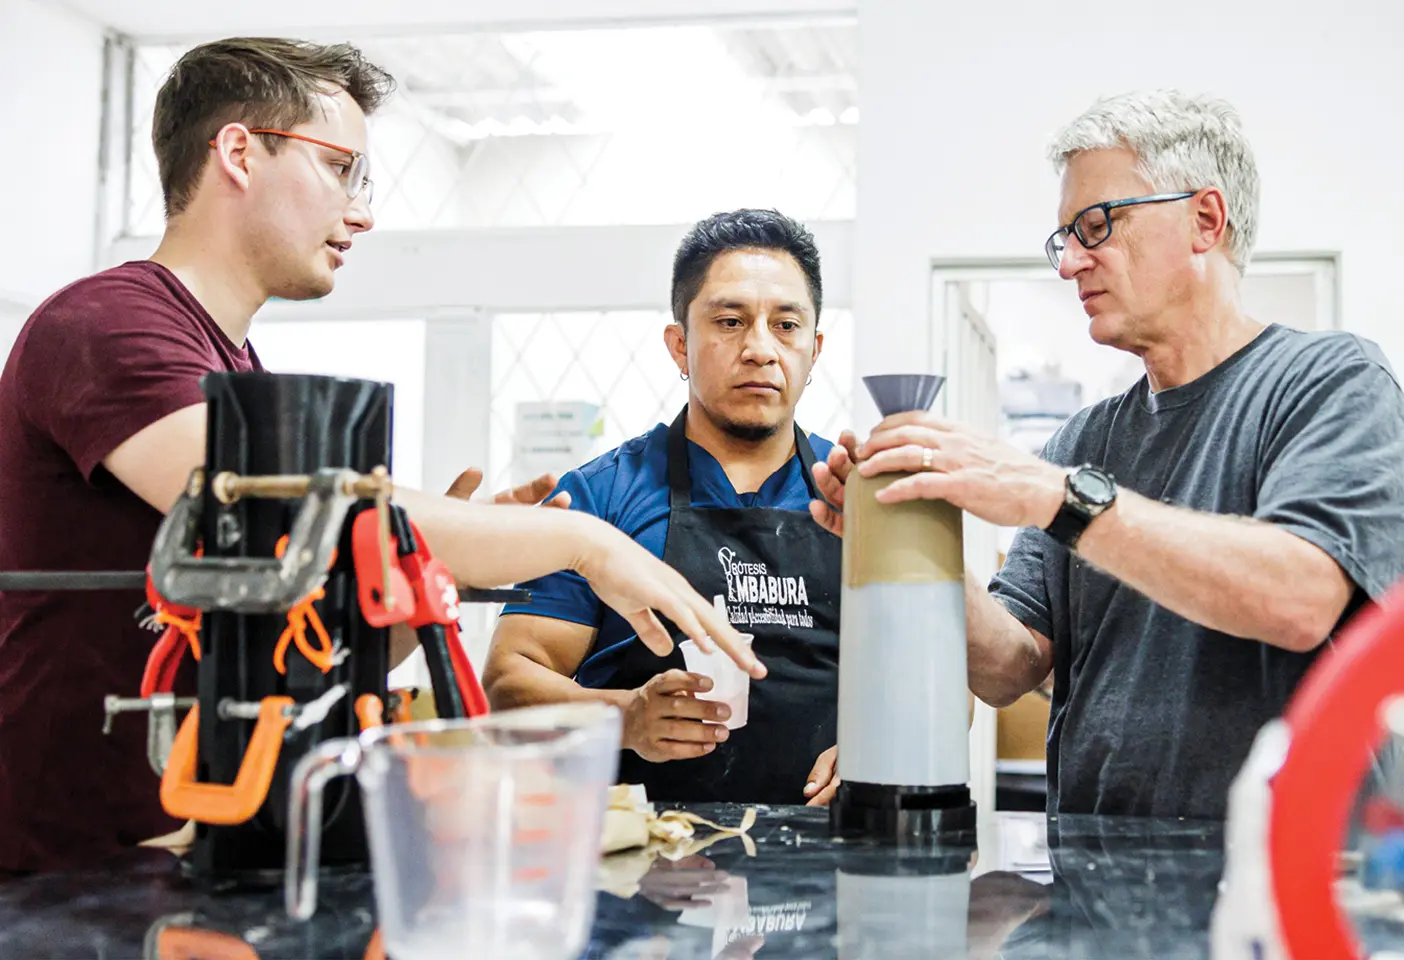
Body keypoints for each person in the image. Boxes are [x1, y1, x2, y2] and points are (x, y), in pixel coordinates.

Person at [0, 37, 751, 874]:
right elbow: (277, 500)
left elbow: (301, 645)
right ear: (240, 152)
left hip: (185, 847)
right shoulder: (107, 328)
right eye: (342, 169)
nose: (361, 212)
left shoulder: (237, 375)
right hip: (61, 870)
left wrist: (430, 573)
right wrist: (583, 542)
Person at [810, 90, 1404, 819]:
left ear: (1205, 220)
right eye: (1066, 237)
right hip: (1093, 879)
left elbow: (1302, 598)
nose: (1071, 265)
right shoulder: (1084, 440)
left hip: (1270, 895)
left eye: (1097, 225)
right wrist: (909, 547)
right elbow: (1011, 666)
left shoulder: (1330, 381)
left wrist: (1057, 496)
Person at [484, 209, 842, 805]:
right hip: (640, 867)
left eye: (785, 325)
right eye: (729, 321)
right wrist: (623, 716)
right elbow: (507, 680)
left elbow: (942, 680)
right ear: (679, 345)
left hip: (828, 864)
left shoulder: (854, 497)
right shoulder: (597, 496)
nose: (760, 349)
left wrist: (879, 743)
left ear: (814, 347)